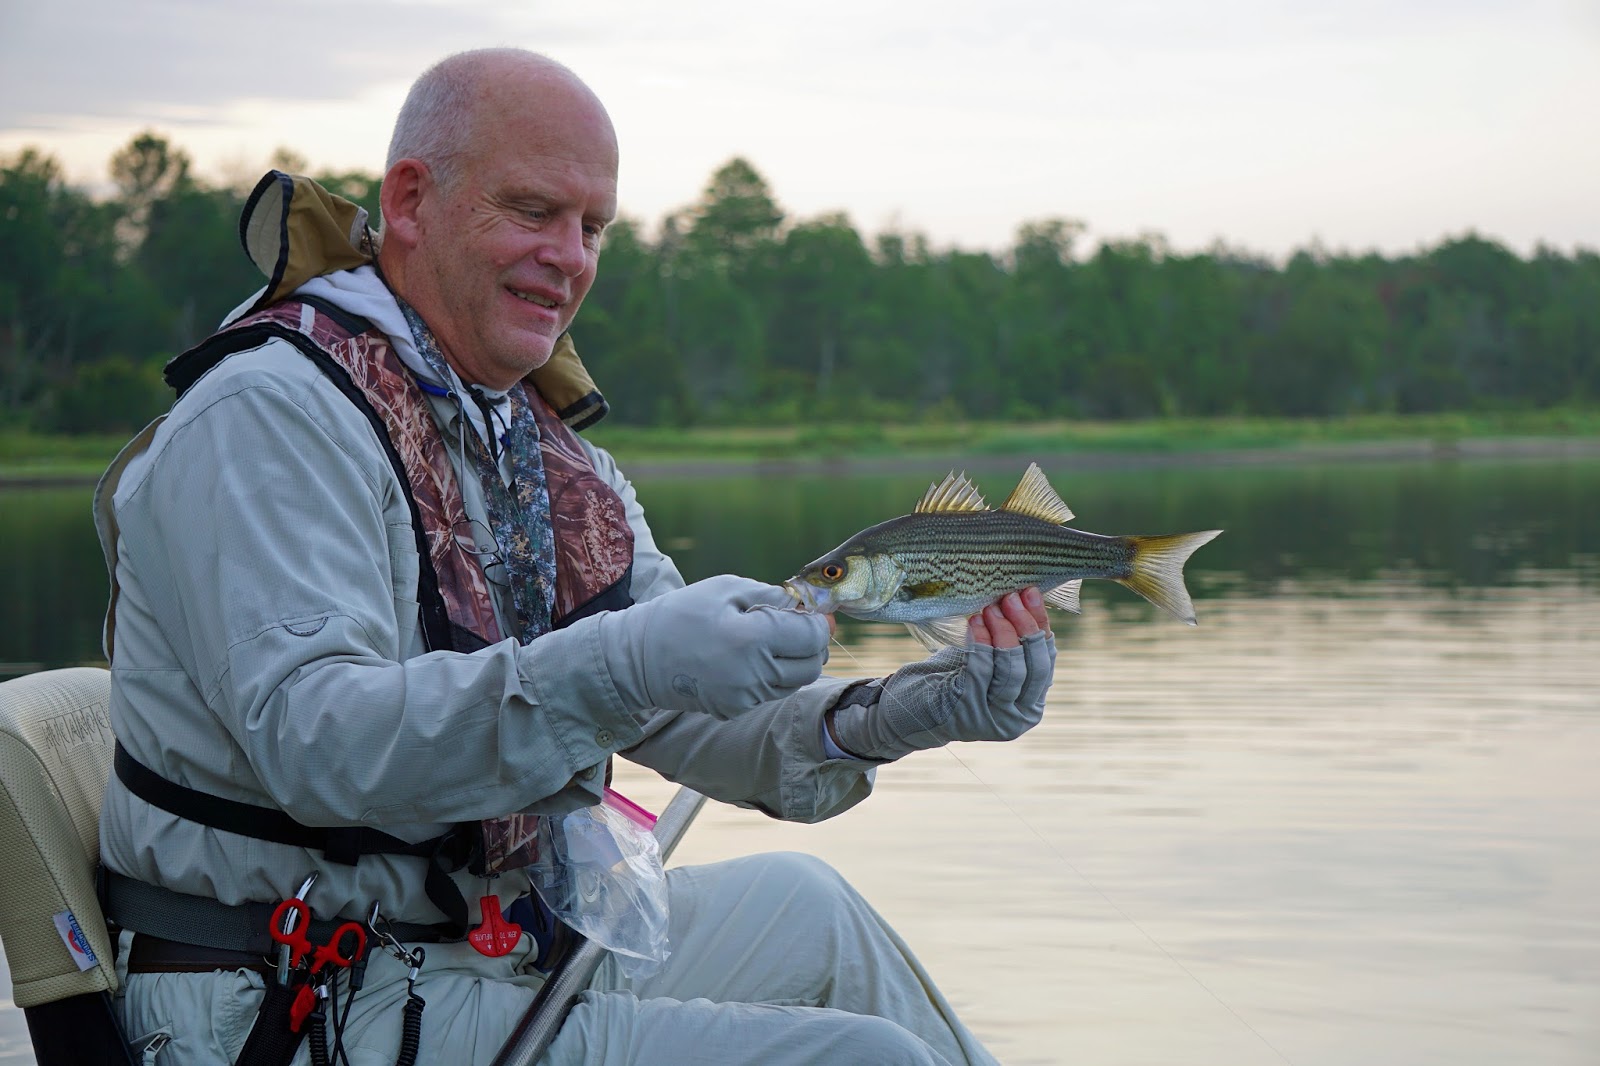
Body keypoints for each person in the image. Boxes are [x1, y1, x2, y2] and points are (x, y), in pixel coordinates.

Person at [94, 47, 1056, 1066]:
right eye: (532, 210)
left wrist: (915, 708)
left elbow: (694, 722)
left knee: (813, 908)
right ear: (412, 201)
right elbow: (324, 748)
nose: (570, 255)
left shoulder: (528, 449)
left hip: (473, 950)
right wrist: (623, 662)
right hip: (293, 999)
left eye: (591, 227)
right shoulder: (269, 415)